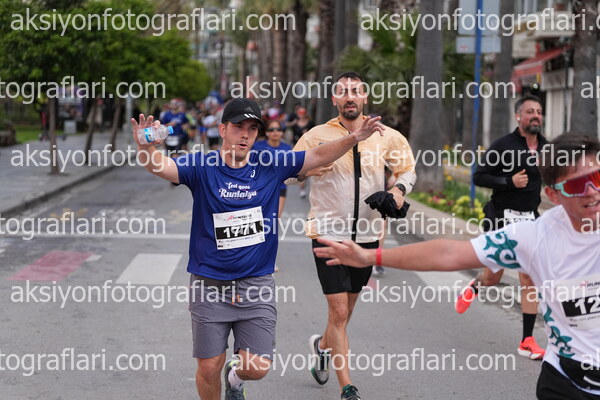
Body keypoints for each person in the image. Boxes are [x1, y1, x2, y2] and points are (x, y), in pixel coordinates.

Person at [130, 97, 385, 400]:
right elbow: (162, 166)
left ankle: (235, 379)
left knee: (258, 367)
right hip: (209, 285)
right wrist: (146, 148)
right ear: (222, 129)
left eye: (252, 129)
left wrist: (355, 137)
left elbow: (317, 155)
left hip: (256, 285)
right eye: (238, 127)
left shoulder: (271, 163)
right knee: (209, 367)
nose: (245, 134)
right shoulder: (203, 165)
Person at [314, 133, 600, 400]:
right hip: (566, 383)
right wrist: (370, 258)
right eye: (577, 185)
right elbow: (448, 254)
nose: (591, 191)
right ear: (553, 194)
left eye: (596, 178)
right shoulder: (534, 237)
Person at [289, 72, 416, 400]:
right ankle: (347, 386)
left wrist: (398, 192)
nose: (350, 97)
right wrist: (305, 171)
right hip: (328, 234)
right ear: (334, 99)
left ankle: (321, 346)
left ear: (364, 97)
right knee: (339, 312)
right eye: (343, 91)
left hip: (367, 237)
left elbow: (407, 168)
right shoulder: (316, 136)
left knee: (346, 310)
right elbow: (288, 171)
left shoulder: (385, 136)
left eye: (355, 91)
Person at [455, 94, 548, 360]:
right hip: (501, 219)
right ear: (518, 116)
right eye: (530, 111)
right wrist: (508, 182)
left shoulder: (547, 148)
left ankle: (527, 340)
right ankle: (476, 284)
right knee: (493, 277)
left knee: (528, 277)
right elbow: (479, 176)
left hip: (529, 220)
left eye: (539, 111)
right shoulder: (503, 145)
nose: (536, 116)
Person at [290, 107, 315, 198]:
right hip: (297, 148)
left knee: (307, 168)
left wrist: (307, 133)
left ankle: (304, 184)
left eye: (303, 113)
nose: (301, 114)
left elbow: (314, 134)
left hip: (307, 148)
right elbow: (289, 130)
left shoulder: (310, 123)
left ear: (305, 113)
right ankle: (302, 188)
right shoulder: (295, 123)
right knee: (300, 168)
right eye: (299, 113)